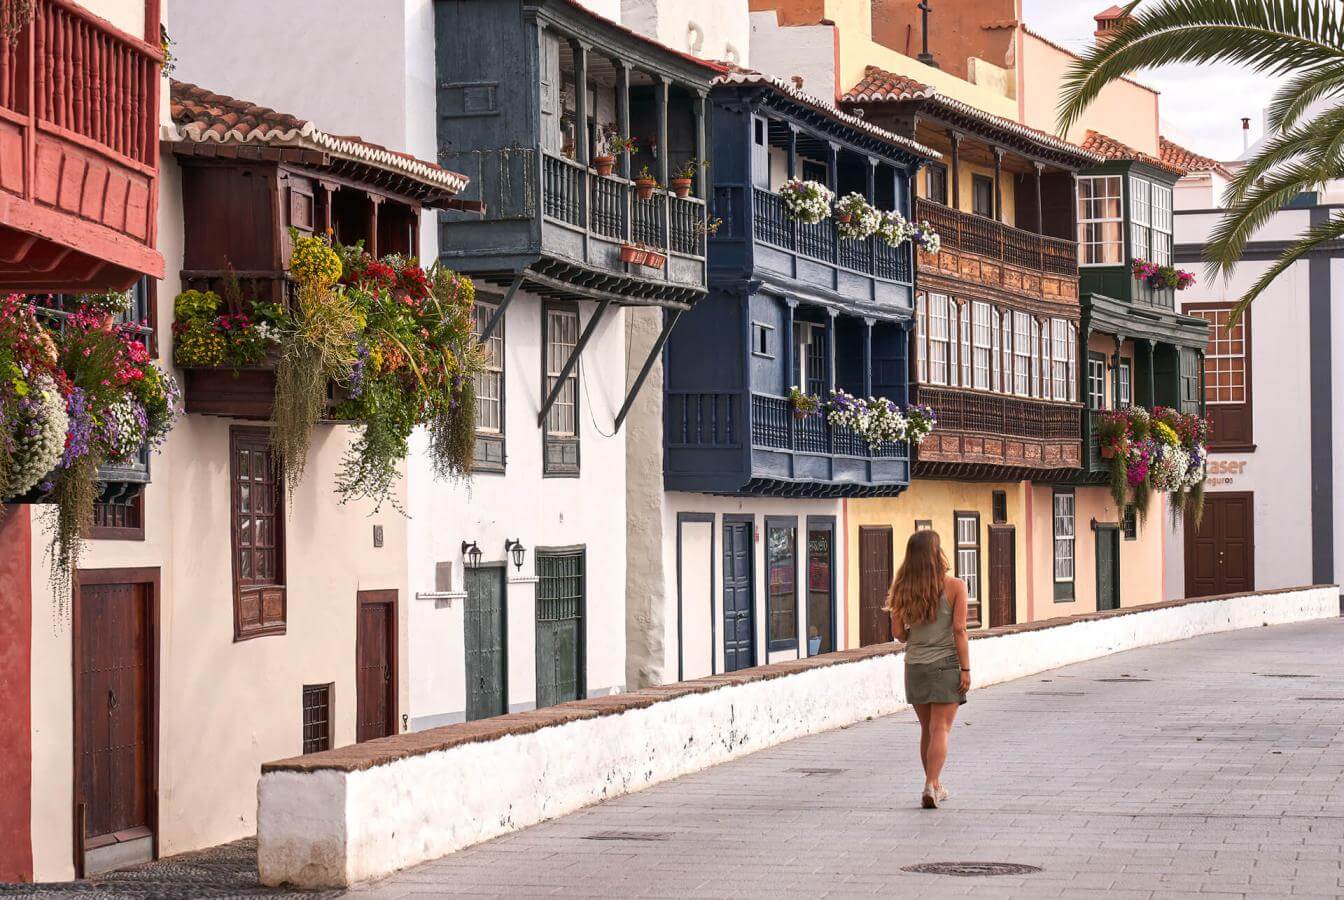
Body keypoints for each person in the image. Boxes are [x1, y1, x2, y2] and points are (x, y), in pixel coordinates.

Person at [884, 529, 970, 809]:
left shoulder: (901, 588)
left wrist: (916, 636)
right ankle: (930, 785)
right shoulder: (955, 586)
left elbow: (898, 633)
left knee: (927, 730)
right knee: (941, 729)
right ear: (937, 553)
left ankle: (934, 784)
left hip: (915, 666)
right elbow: (959, 629)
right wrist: (966, 669)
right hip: (945, 664)